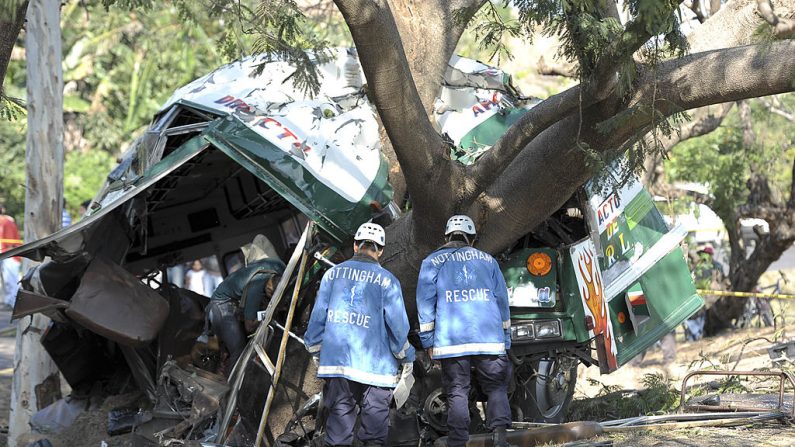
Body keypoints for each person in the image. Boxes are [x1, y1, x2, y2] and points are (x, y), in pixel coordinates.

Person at [304, 222, 414, 447]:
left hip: (339, 368)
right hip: (377, 372)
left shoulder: (332, 275)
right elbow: (398, 329)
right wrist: (407, 357)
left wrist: (316, 351)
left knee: (338, 436)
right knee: (373, 437)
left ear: (355, 246)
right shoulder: (387, 281)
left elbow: (316, 322)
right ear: (381, 250)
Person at [416, 215, 513, 447]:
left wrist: (428, 341)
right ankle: (500, 440)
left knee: (457, 391)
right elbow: (502, 301)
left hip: (451, 342)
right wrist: (506, 338)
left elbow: (425, 304)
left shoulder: (432, 262)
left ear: (447, 236)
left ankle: (458, 442)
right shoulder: (488, 261)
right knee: (496, 387)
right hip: (489, 339)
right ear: (471, 238)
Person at [206, 237, 286, 375]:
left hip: (232, 300)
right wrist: (267, 317)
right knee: (239, 350)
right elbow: (249, 326)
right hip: (221, 305)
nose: (269, 295)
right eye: (269, 292)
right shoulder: (257, 284)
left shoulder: (280, 268)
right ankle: (230, 392)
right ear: (268, 286)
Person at [0, 203, 21, 309]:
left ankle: (14, 304)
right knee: (6, 281)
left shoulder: (6, 222)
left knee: (11, 281)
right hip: (4, 255)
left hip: (10, 256)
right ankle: (8, 302)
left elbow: (10, 244)